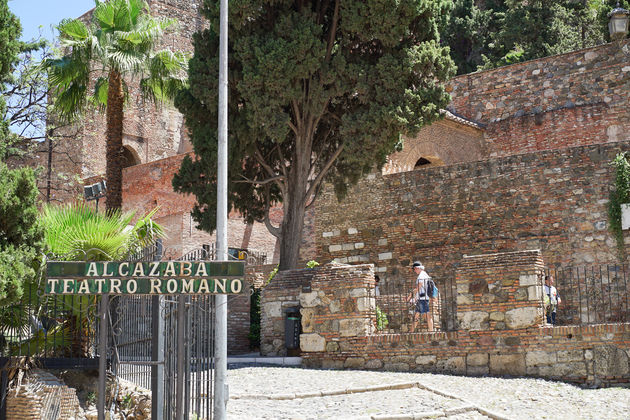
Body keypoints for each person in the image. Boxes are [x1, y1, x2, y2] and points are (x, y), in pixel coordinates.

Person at [407, 261, 433, 332]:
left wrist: (411, 294)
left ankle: (431, 331)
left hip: (422, 298)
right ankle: (411, 331)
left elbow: (419, 286)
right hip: (422, 298)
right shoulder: (424, 274)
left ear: (417, 268)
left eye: (414, 269)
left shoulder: (421, 275)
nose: (414, 271)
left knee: (426, 315)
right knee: (417, 315)